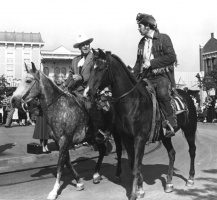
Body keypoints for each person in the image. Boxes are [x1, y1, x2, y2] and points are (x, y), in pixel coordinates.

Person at [133, 13, 177, 138]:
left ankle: (170, 124)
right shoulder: (141, 43)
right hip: (146, 77)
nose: (138, 28)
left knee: (162, 94)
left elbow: (171, 57)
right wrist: (132, 77)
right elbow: (138, 63)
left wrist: (151, 63)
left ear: (147, 26)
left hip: (162, 76)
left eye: (140, 26)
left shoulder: (164, 38)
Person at [64, 34, 109, 143]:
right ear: (79, 47)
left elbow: (97, 74)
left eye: (87, 44)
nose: (85, 46)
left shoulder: (95, 58)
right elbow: (70, 75)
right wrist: (65, 85)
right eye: (83, 45)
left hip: (88, 90)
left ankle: (98, 133)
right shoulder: (75, 60)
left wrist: (82, 77)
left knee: (89, 106)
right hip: (74, 91)